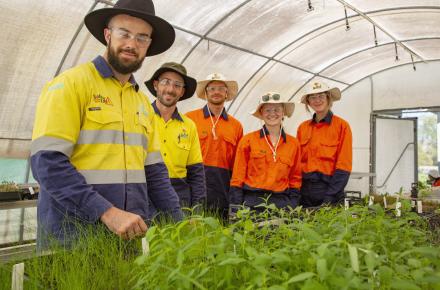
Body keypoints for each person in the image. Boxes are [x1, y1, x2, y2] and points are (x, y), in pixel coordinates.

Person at [30, 0, 183, 248]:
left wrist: (181, 227)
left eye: (142, 38)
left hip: (130, 238)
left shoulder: (143, 103)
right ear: (107, 34)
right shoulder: (70, 85)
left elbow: (155, 175)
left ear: (149, 46)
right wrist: (107, 212)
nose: (132, 44)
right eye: (124, 33)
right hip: (72, 239)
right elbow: (47, 163)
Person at [144, 62, 206, 211]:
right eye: (165, 82)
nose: (171, 89)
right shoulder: (141, 117)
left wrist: (197, 209)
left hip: (180, 198)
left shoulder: (189, 125)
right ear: (156, 85)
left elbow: (196, 172)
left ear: (182, 92)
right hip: (146, 193)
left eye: (177, 85)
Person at [229, 92, 302, 215]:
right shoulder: (248, 140)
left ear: (283, 112)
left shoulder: (293, 143)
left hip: (281, 203)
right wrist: (236, 208)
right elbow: (237, 177)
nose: (272, 113)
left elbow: (295, 178)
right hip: (252, 202)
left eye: (277, 109)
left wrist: (292, 205)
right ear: (261, 114)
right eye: (267, 110)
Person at [186, 73, 243, 219]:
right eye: (211, 89)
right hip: (194, 181)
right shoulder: (190, 118)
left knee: (220, 230)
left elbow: (238, 163)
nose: (216, 92)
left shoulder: (236, 125)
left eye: (220, 88)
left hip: (222, 185)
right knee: (193, 225)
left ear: (226, 93)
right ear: (206, 93)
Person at [296, 81, 352, 207]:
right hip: (304, 193)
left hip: (330, 191)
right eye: (313, 97)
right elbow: (296, 164)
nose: (317, 100)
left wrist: (329, 198)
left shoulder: (342, 126)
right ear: (308, 102)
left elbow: (344, 166)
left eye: (321, 96)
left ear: (328, 98)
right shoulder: (302, 128)